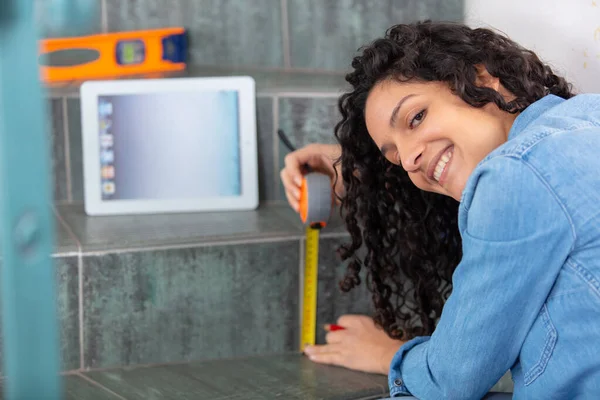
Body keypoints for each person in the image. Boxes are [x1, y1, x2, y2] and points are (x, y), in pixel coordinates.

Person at [280, 20, 600, 399]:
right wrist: (357, 174)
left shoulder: (513, 177)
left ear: (483, 78)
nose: (411, 160)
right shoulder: (584, 119)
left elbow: (450, 381)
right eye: (395, 157)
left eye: (416, 118)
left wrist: (388, 355)